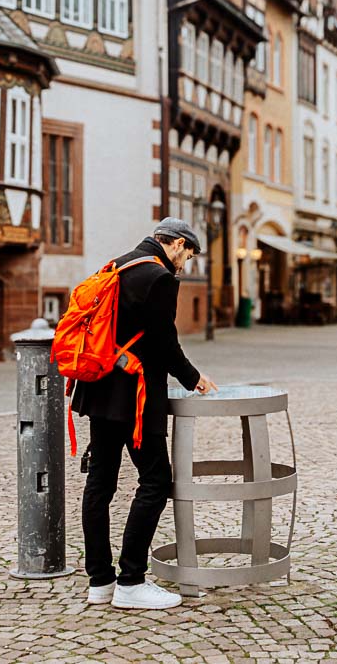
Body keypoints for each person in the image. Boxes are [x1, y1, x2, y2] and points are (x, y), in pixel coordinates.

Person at [72, 218, 217, 611]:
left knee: (100, 483)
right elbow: (163, 343)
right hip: (133, 396)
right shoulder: (159, 277)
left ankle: (99, 581)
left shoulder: (116, 266)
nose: (186, 262)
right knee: (155, 481)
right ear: (175, 244)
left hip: (99, 387)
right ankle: (131, 581)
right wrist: (193, 377)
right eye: (187, 253)